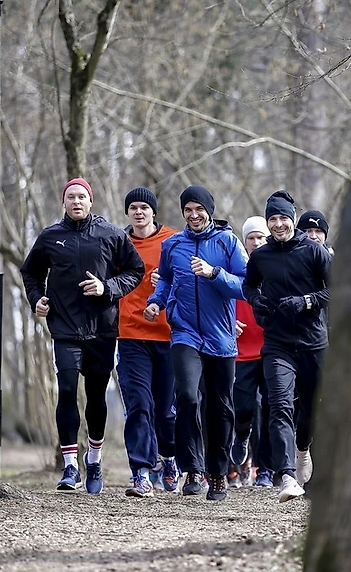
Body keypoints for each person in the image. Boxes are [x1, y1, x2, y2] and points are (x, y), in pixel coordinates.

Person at [20, 177, 144, 494]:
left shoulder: (112, 234)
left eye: (82, 197)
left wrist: (108, 288)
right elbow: (30, 272)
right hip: (64, 327)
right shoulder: (50, 237)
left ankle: (95, 459)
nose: (76, 202)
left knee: (96, 396)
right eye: (71, 197)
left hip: (102, 327)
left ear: (91, 202)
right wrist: (37, 300)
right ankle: (70, 467)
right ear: (64, 202)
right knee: (65, 390)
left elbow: (135, 270)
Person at [144, 185, 248, 501]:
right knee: (187, 396)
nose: (193, 215)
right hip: (184, 332)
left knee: (220, 406)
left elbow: (245, 286)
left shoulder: (228, 242)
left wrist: (214, 272)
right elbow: (164, 280)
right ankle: (193, 470)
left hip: (221, 338)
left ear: (209, 211)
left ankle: (218, 475)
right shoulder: (173, 245)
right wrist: (155, 303)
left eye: (199, 209)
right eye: (188, 209)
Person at [242, 190, 331, 502]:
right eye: (273, 219)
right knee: (279, 406)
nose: (278, 224)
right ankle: (287, 477)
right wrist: (256, 302)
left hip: (313, 343)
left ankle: (303, 449)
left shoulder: (313, 252)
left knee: (312, 409)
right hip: (277, 343)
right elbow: (248, 284)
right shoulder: (261, 256)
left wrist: (306, 301)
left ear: (293, 219)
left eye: (283, 218)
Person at [117, 187, 180, 498]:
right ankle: (140, 471)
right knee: (139, 404)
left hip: (168, 335)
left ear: (154, 212)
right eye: (133, 208)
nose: (139, 212)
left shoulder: (173, 240)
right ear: (128, 212)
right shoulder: (118, 242)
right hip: (130, 334)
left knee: (166, 411)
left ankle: (168, 458)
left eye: (144, 207)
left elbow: (191, 280)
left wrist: (169, 282)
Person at [230, 216, 274, 488]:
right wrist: (227, 322)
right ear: (244, 242)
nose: (256, 242)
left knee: (270, 409)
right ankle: (242, 436)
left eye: (260, 237)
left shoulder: (276, 265)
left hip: (271, 347)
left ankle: (265, 469)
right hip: (241, 349)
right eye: (251, 238)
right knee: (244, 408)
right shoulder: (236, 268)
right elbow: (222, 296)